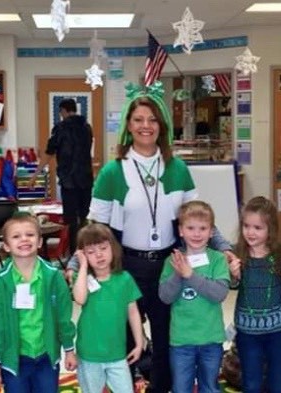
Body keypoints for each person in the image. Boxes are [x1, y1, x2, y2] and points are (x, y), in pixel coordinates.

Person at [80, 81, 238, 393]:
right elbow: (94, 229)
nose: (145, 126)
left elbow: (199, 218)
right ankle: (124, 383)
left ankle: (160, 387)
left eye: (152, 119)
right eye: (138, 119)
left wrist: (226, 249)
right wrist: (78, 265)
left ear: (162, 125)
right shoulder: (113, 172)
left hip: (169, 264)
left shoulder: (177, 168)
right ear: (128, 124)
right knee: (121, 333)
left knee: (167, 335)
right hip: (125, 267)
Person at [0, 213, 77, 393]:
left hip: (46, 356)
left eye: (30, 234)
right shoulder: (1, 281)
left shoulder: (53, 277)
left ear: (40, 241)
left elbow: (64, 317)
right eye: (16, 236)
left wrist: (69, 348)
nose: (24, 239)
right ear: (6, 245)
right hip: (14, 358)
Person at [159, 201, 231, 393]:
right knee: (181, 388)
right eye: (190, 228)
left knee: (210, 387)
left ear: (211, 232)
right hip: (182, 340)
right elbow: (166, 297)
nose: (197, 234)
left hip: (211, 339)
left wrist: (190, 275)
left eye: (203, 228)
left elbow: (219, 294)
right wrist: (178, 273)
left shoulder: (218, 259)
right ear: (181, 231)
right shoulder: (172, 261)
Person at [230, 196, 281, 393]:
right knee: (251, 380)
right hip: (247, 330)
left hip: (278, 328)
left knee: (279, 379)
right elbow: (232, 286)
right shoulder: (238, 252)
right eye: (246, 226)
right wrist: (233, 275)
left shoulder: (280, 253)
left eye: (258, 228)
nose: (250, 232)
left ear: (271, 230)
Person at [72, 223, 144, 393]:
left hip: (117, 353)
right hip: (89, 354)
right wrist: (82, 266)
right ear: (83, 255)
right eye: (90, 252)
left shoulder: (124, 278)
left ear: (113, 248)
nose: (99, 255)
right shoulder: (82, 278)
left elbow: (133, 313)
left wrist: (139, 343)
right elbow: (80, 299)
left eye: (103, 248)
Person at [31, 98, 94, 255]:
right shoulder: (87, 127)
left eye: (61, 112)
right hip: (86, 179)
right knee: (85, 218)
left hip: (69, 180)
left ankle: (73, 255)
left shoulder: (60, 128)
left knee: (71, 221)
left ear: (64, 111)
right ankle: (86, 252)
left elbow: (48, 153)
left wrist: (35, 175)